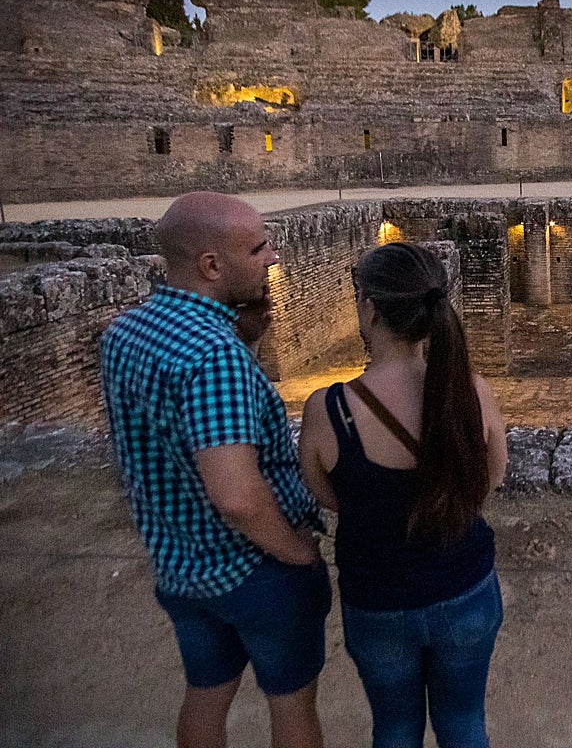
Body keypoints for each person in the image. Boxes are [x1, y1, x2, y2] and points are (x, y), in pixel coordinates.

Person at [100, 191, 330, 748]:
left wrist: (245, 339)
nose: (272, 257)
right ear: (211, 265)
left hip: (180, 567)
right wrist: (297, 553)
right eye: (257, 249)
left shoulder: (124, 333)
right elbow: (236, 496)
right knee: (292, 705)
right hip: (255, 570)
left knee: (205, 695)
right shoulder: (213, 355)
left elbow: (160, 444)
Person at [298, 242, 508, 748]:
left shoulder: (329, 410)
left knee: (394, 729)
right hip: (464, 587)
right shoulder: (472, 392)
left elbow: (324, 491)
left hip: (379, 599)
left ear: (370, 309)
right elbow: (491, 476)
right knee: (464, 724)